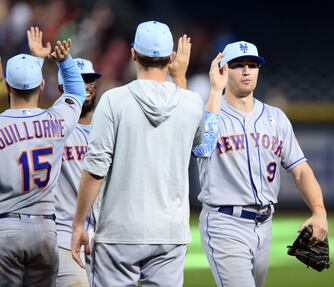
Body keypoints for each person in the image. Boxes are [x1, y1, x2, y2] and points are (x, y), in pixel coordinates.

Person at [71, 20, 226, 286]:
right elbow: (205, 146)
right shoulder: (190, 102)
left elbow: (96, 170)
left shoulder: (113, 99)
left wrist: (78, 224)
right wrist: (214, 91)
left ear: (133, 54)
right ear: (172, 57)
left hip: (119, 233)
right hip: (170, 233)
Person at [195, 41, 328, 287]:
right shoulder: (208, 115)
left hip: (265, 225)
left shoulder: (276, 118)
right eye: (238, 65)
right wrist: (215, 91)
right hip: (225, 224)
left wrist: (319, 210)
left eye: (252, 65)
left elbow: (300, 170)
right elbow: (203, 148)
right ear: (222, 70)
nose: (247, 71)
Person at [0, 26, 86, 286]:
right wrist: (64, 60)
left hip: (6, 228)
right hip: (46, 230)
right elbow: (76, 92)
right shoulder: (57, 121)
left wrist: (35, 60)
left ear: (6, 86)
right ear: (42, 84)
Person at [55, 58, 101, 287]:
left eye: (90, 79)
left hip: (105, 237)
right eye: (78, 81)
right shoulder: (53, 128)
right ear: (62, 88)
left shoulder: (108, 127)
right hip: (64, 234)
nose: (85, 86)